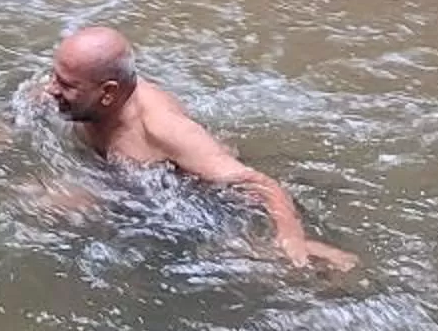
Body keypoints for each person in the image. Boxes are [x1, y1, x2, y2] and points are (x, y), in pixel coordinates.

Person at [42, 25, 358, 272]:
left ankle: (326, 266)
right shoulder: (80, 91)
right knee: (38, 204)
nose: (51, 89)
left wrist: (290, 238)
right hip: (126, 186)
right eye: (56, 77)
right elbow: (33, 101)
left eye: (65, 84)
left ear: (107, 93)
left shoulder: (163, 129)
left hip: (195, 205)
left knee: (248, 263)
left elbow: (258, 183)